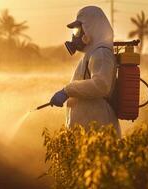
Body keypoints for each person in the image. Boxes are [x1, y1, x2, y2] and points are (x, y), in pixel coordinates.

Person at [50, 6, 121, 136]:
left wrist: (67, 90)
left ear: (91, 28)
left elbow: (101, 85)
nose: (76, 36)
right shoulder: (91, 54)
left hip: (99, 128)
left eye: (78, 30)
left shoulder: (101, 53)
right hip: (89, 130)